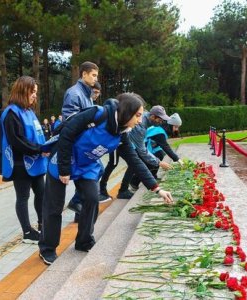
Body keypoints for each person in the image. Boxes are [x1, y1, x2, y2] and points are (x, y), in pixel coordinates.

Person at [38, 93, 174, 265]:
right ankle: (47, 248)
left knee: (92, 198)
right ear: (126, 112)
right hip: (63, 159)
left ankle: (84, 241)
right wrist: (64, 169)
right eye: (138, 115)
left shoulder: (122, 133)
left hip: (86, 165)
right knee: (54, 206)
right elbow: (66, 134)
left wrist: (157, 189)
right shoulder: (97, 114)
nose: (140, 120)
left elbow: (134, 159)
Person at [0, 76, 49, 244]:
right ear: (23, 91)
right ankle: (27, 231)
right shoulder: (11, 113)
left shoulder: (29, 111)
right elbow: (17, 140)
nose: (35, 95)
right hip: (21, 164)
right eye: (32, 92)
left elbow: (37, 135)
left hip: (36, 162)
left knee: (41, 194)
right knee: (23, 197)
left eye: (36, 92)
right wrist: (39, 149)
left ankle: (43, 224)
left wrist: (45, 147)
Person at [61, 61, 109, 223]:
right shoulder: (74, 93)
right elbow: (71, 122)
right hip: (78, 144)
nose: (96, 78)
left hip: (86, 143)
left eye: (97, 75)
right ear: (84, 74)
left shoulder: (87, 95)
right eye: (93, 75)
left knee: (93, 173)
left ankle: (78, 208)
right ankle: (76, 202)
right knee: (97, 170)